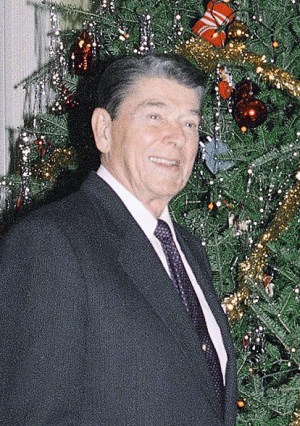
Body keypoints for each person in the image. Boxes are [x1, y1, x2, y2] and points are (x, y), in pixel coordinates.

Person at [0, 54, 238, 425]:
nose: (176, 137)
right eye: (154, 116)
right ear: (104, 130)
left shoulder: (188, 251)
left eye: (189, 123)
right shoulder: (52, 242)